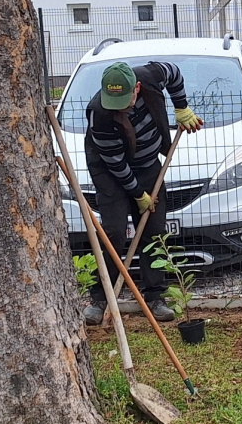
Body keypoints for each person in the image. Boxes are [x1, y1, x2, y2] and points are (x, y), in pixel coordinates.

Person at [82, 60, 202, 325]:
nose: (119, 107)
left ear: (136, 88)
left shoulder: (150, 75)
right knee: (113, 232)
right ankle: (101, 298)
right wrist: (138, 195)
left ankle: (155, 297)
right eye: (113, 101)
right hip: (111, 175)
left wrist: (181, 106)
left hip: (148, 167)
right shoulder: (99, 113)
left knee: (154, 230)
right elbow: (116, 164)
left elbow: (174, 72)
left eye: (124, 100)